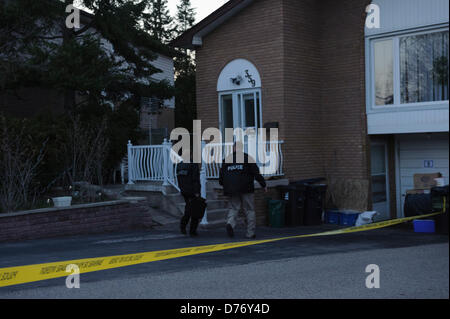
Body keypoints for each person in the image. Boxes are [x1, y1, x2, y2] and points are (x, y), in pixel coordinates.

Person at [219, 141, 267, 239]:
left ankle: (230, 224)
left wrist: (225, 185)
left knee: (233, 208)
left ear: (233, 148)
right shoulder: (248, 158)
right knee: (249, 210)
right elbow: (256, 173)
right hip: (246, 188)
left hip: (231, 189)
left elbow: (221, 178)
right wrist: (263, 184)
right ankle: (250, 233)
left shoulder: (226, 160)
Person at [177, 158, 201, 237]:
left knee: (189, 209)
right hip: (192, 191)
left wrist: (181, 189)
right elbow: (195, 179)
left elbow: (178, 179)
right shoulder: (193, 164)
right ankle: (191, 230)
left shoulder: (179, 165)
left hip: (184, 191)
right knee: (195, 211)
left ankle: (184, 227)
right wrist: (197, 192)